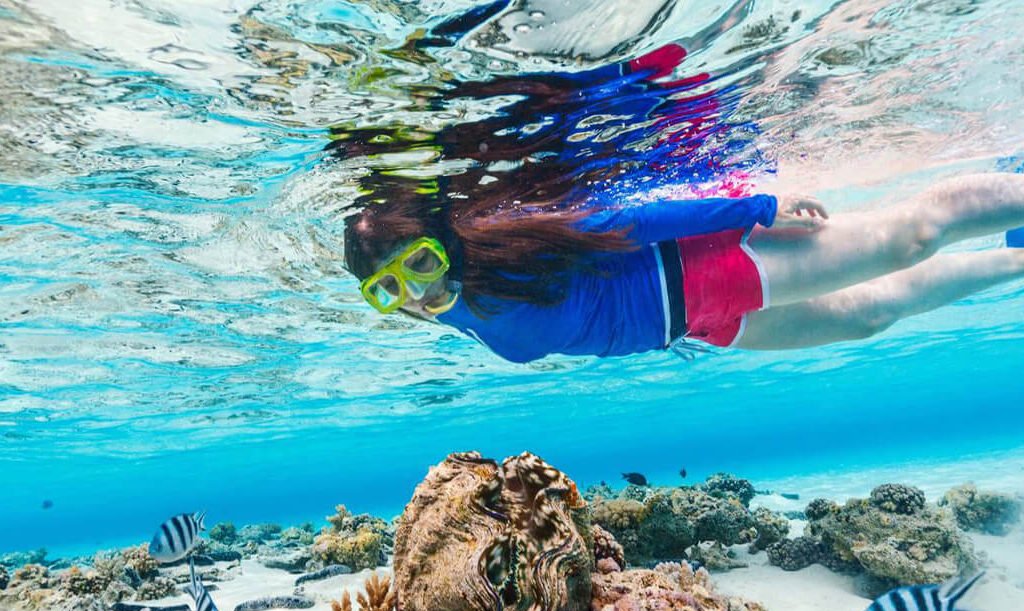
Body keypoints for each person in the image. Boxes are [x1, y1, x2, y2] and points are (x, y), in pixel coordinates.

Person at [342, 173, 1024, 362]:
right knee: (868, 317)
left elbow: (627, 222)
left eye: (422, 262)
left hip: (700, 271)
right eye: (389, 289)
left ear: (443, 241)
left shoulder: (505, 242)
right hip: (691, 324)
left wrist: (760, 208)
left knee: (910, 237)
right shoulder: (447, 311)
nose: (418, 290)